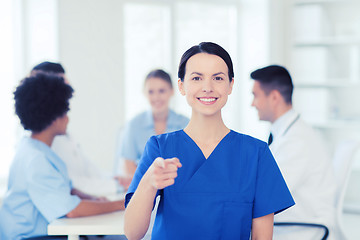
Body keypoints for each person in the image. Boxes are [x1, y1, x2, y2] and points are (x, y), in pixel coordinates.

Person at [124, 42, 295, 240]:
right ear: (181, 86)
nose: (207, 87)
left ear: (231, 85)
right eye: (196, 78)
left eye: (218, 78)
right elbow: (132, 233)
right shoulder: (160, 148)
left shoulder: (256, 154)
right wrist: (148, 183)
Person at [0, 73, 125, 240]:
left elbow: (67, 189)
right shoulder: (36, 159)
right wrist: (121, 204)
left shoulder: (35, 148)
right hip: (30, 237)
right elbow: (71, 210)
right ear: (53, 119)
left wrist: (96, 200)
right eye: (65, 112)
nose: (68, 118)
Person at [250, 65, 337, 239]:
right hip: (291, 223)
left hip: (301, 230)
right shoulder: (288, 133)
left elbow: (269, 194)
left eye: (255, 96)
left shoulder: (297, 141)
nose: (252, 104)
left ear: (274, 97)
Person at [31, 61, 131, 195]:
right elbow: (70, 182)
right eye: (62, 83)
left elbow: (87, 168)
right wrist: (116, 187)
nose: (68, 89)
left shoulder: (63, 131)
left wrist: (115, 180)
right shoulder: (46, 138)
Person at [115, 69, 189, 178]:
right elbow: (128, 167)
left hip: (177, 187)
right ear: (144, 93)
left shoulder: (185, 124)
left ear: (172, 91)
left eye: (162, 91)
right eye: (151, 92)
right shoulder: (134, 125)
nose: (156, 97)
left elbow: (190, 164)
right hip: (143, 188)